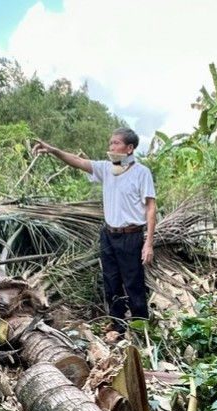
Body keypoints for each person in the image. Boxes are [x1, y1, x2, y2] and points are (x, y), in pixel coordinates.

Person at [33, 128, 156, 339]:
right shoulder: (107, 169)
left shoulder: (141, 173)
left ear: (130, 148)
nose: (111, 147)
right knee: (111, 281)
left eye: (116, 143)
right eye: (110, 143)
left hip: (131, 236)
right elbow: (77, 162)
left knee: (133, 282)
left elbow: (151, 207)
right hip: (109, 234)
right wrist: (53, 150)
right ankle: (118, 326)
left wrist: (149, 243)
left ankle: (140, 328)